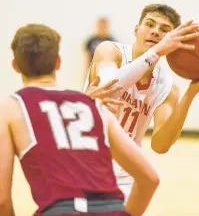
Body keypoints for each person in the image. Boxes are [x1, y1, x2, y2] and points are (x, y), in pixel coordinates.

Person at [0, 24, 160, 216]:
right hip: (113, 210)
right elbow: (150, 178)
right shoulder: (94, 105)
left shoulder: (11, 107)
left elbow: (1, 200)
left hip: (62, 211)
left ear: (15, 66)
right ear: (58, 62)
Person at [83, 4, 199, 200]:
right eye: (150, 24)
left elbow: (160, 145)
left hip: (125, 176)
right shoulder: (110, 51)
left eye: (165, 30)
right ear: (136, 30)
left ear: (174, 41)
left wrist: (191, 93)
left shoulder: (167, 87)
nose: (156, 31)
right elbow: (109, 85)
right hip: (84, 163)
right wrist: (156, 52)